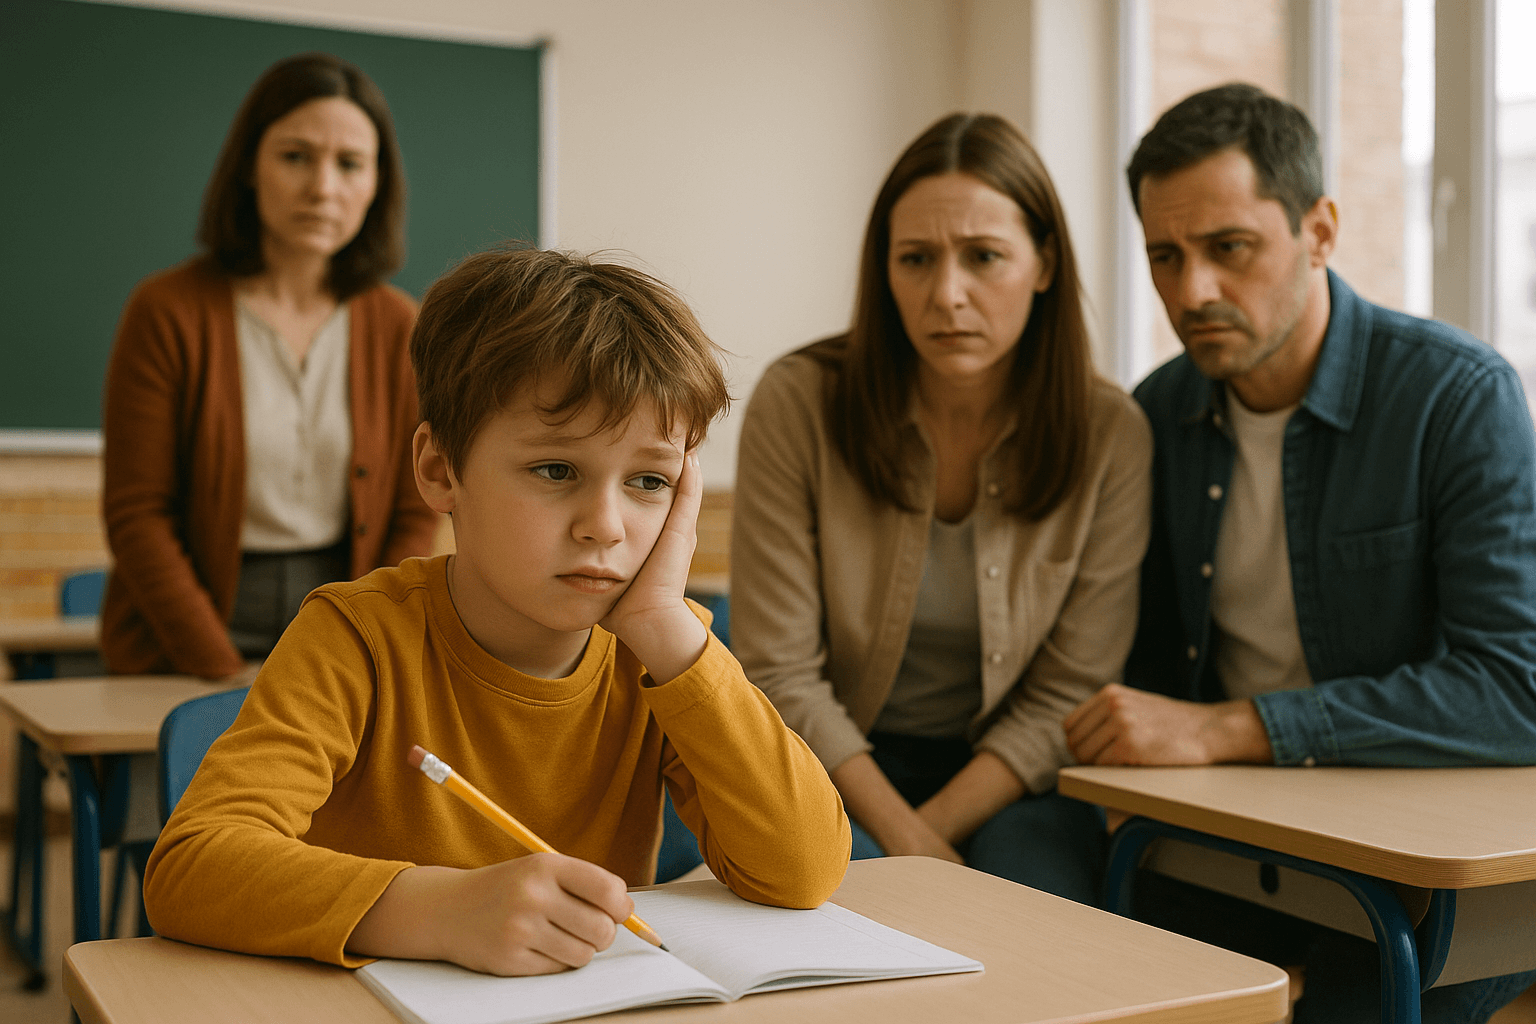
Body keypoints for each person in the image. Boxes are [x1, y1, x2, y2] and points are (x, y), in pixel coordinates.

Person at [142, 246, 851, 974]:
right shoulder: (357, 636)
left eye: (649, 481)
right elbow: (191, 868)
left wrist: (669, 629)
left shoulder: (662, 653)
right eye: (556, 470)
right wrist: (438, 912)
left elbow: (803, 871)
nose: (605, 524)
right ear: (439, 470)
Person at [1063, 82, 1536, 1022]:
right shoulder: (1157, 415)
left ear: (1319, 231)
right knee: (1090, 968)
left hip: (1435, 858)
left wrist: (1235, 727)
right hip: (1241, 837)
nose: (1192, 291)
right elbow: (1143, 663)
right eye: (1166, 256)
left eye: (1229, 248)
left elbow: (1516, 686)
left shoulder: (1455, 397)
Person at [730, 113, 1152, 904]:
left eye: (984, 257)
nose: (946, 295)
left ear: (1044, 264)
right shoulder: (801, 402)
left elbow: (1070, 690)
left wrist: (931, 831)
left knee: (1043, 924)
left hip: (1015, 774)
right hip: (826, 759)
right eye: (916, 259)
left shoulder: (1112, 433)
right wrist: (905, 835)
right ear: (883, 270)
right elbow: (781, 671)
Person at [101, 52, 437, 682]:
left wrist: (361, 646)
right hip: (186, 632)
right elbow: (138, 515)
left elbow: (415, 510)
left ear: (377, 183)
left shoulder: (398, 324)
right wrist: (221, 671)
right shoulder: (168, 309)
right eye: (295, 157)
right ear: (250, 168)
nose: (322, 187)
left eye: (349, 164)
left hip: (342, 615)